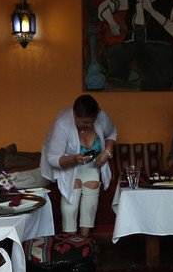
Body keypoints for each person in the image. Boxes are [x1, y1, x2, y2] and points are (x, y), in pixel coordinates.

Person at [41, 95, 116, 238]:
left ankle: (84, 240)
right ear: (75, 114)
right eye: (84, 122)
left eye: (91, 122)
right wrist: (73, 159)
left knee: (93, 184)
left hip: (92, 166)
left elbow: (112, 133)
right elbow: (52, 158)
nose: (88, 125)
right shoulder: (62, 124)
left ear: (97, 114)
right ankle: (70, 240)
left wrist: (107, 151)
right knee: (74, 186)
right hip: (67, 165)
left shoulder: (102, 116)